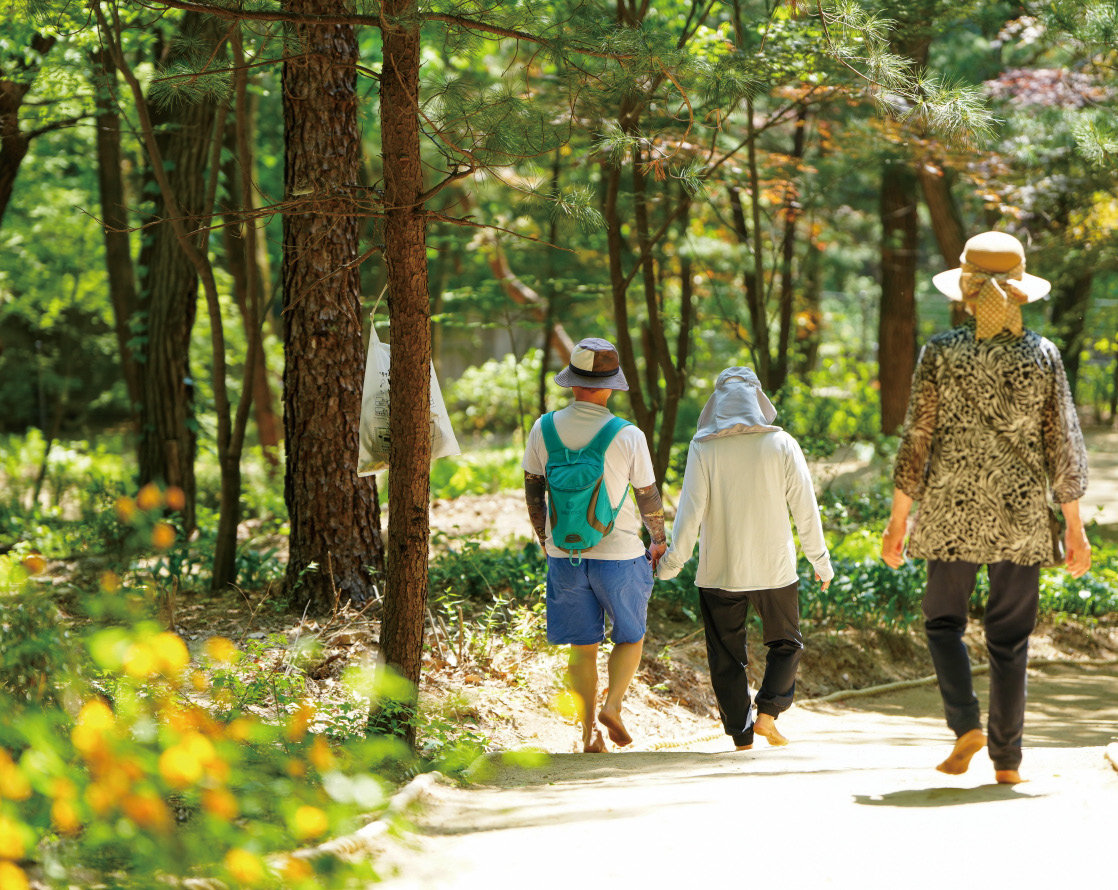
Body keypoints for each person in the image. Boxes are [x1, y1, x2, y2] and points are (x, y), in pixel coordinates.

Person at [881, 230, 1091, 785]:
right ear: (1021, 292)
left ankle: (965, 724)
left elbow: (917, 439)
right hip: (1022, 515)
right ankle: (1007, 762)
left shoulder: (942, 352)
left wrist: (899, 518)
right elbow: (1063, 443)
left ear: (966, 293)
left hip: (951, 508)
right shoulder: (1043, 355)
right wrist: (1074, 527)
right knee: (1010, 639)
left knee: (942, 622)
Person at [657, 368, 833, 750]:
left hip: (720, 570)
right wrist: (821, 561)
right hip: (774, 568)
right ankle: (767, 714)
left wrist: (671, 564)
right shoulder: (782, 444)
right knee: (788, 643)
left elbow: (689, 514)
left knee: (725, 656)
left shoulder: (703, 447)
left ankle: (742, 737)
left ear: (717, 403)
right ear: (757, 400)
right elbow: (806, 508)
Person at [522, 337, 667, 753]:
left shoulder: (543, 427)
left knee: (582, 648)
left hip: (564, 555)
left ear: (572, 383)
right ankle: (614, 705)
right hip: (619, 554)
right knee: (630, 635)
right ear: (610, 385)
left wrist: (546, 541)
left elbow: (534, 493)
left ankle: (588, 735)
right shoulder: (628, 434)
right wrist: (657, 541)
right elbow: (647, 497)